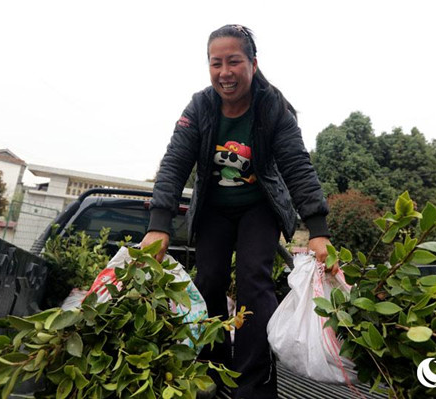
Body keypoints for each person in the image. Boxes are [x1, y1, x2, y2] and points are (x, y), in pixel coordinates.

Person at [140, 24, 336, 399]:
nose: (225, 73)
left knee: (253, 280)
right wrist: (159, 224)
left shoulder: (272, 107)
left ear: (253, 63)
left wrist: (318, 228)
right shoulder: (200, 106)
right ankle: (209, 369)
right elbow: (175, 162)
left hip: (258, 207)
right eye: (216, 63)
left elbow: (296, 165)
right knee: (208, 280)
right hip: (214, 208)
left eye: (234, 62)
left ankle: (253, 381)